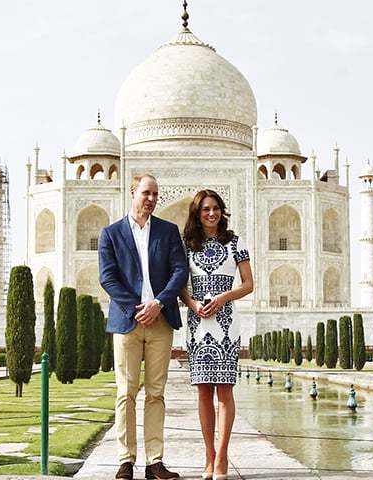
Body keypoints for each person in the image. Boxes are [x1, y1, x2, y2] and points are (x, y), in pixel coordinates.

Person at [99, 174, 188, 480]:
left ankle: (155, 461)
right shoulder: (110, 233)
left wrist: (159, 303)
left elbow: (180, 271)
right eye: (146, 193)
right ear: (132, 192)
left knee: (155, 393)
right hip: (128, 321)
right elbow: (107, 277)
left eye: (155, 194)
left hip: (161, 319)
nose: (150, 199)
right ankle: (126, 460)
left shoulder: (168, 230)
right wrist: (137, 308)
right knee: (125, 392)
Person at [179, 190, 253, 480]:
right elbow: (181, 285)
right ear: (197, 214)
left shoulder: (235, 243)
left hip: (225, 323)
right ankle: (208, 457)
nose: (211, 213)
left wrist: (223, 298)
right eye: (205, 209)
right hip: (198, 324)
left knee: (224, 391)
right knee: (203, 392)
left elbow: (248, 284)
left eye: (216, 208)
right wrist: (193, 303)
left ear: (222, 211)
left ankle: (222, 457)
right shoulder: (188, 246)